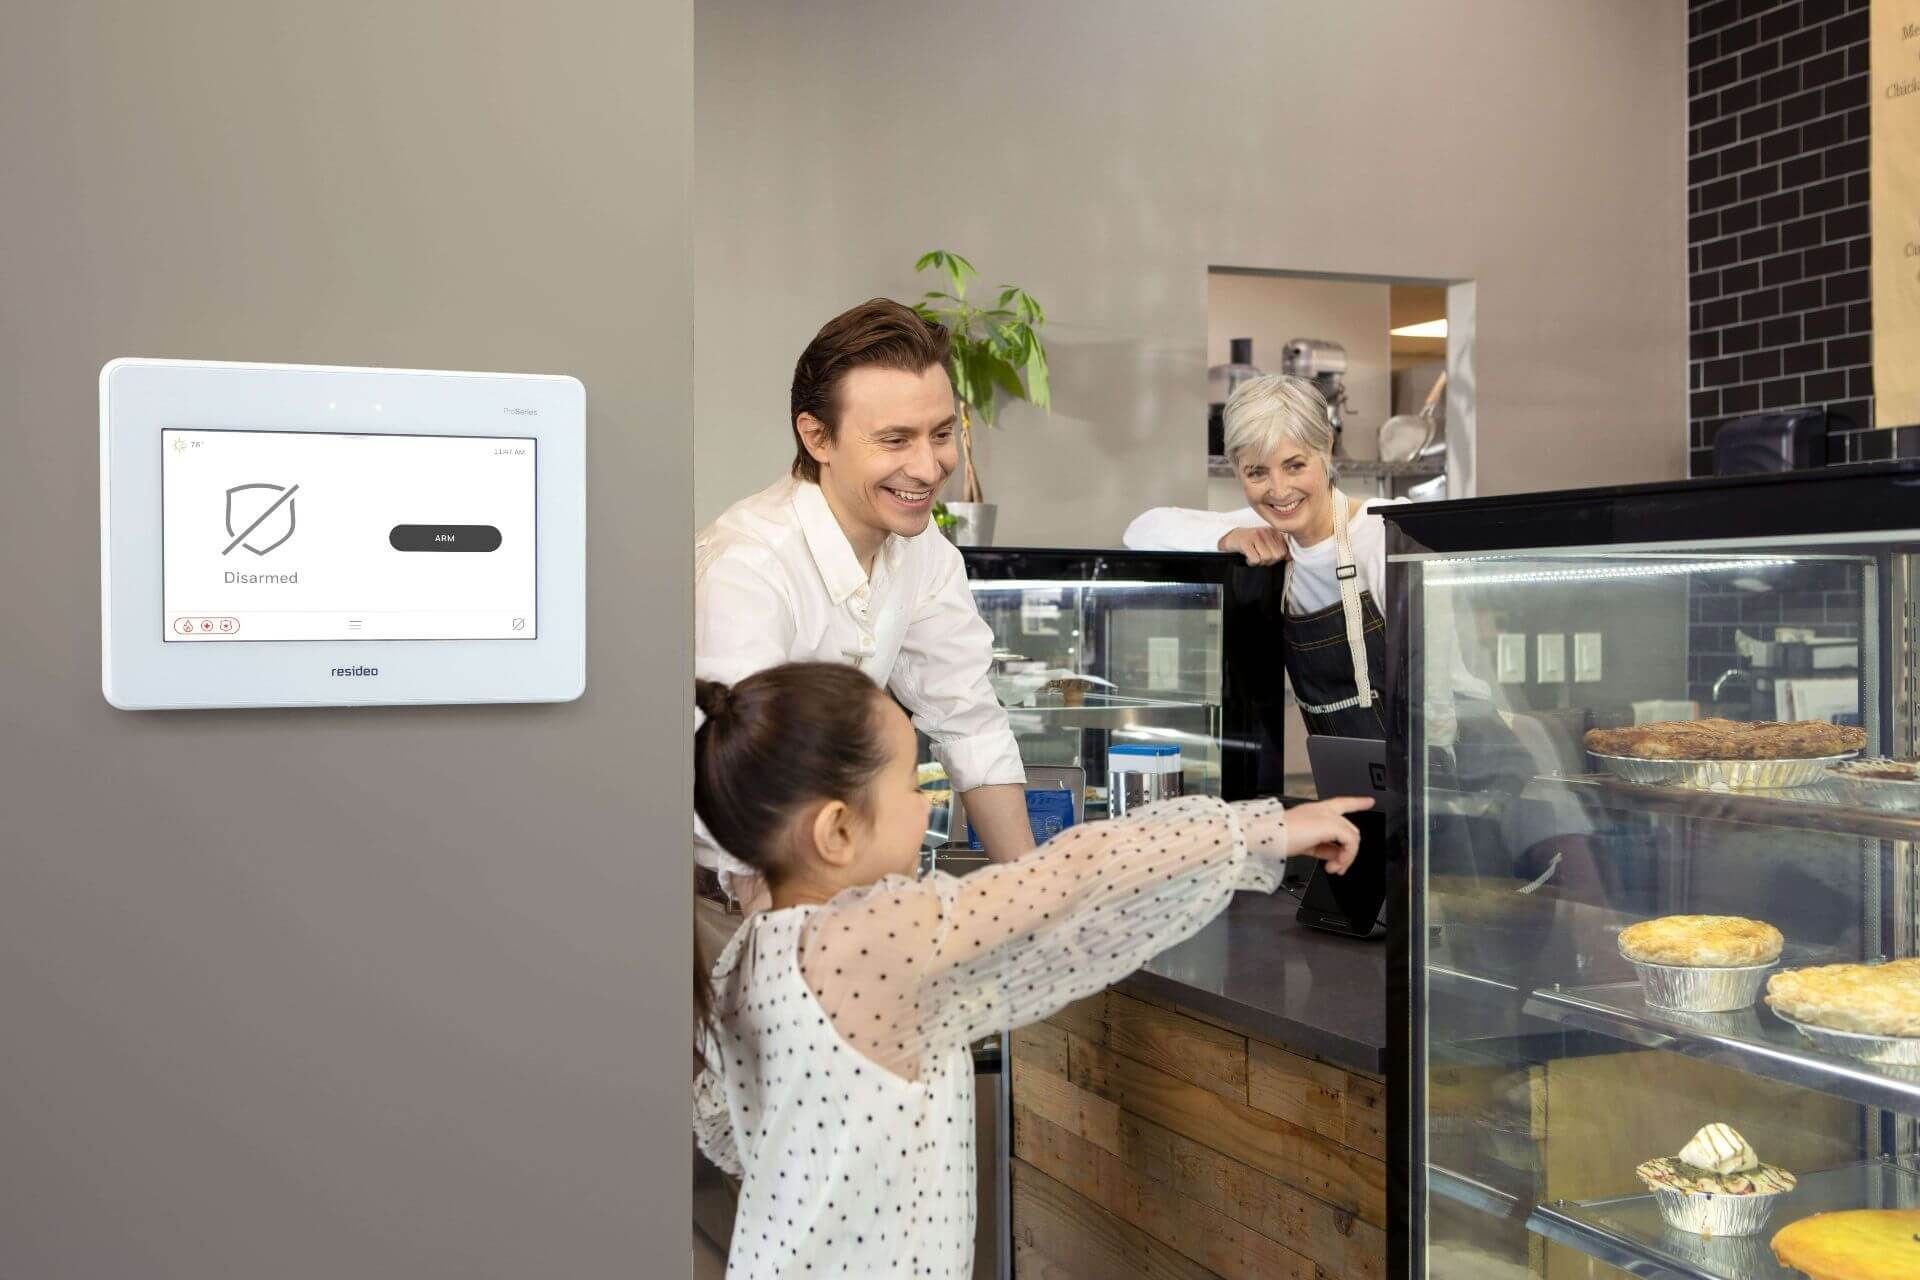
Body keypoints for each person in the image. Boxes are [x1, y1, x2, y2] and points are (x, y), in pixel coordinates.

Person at [691, 662, 1372, 1278]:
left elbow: (734, 1132)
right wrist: (1259, 831)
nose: (927, 801)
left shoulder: (744, 955)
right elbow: (1072, 874)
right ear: (836, 831)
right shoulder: (877, 934)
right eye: (909, 782)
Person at [696, 299, 1035, 907]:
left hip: (830, 888)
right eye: (895, 439)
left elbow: (970, 722)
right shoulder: (747, 569)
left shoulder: (924, 552)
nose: (929, 468)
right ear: (817, 436)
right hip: (721, 898)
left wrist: (1037, 897)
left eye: (940, 434)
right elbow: (741, 796)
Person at [1125, 374, 1401, 739]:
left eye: (1295, 465)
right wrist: (1227, 537)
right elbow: (1141, 529)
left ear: (1327, 449)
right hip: (1346, 772)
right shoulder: (1265, 527)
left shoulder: (1383, 534)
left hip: (1442, 767)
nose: (1279, 490)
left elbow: (1438, 690)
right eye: (1257, 472)